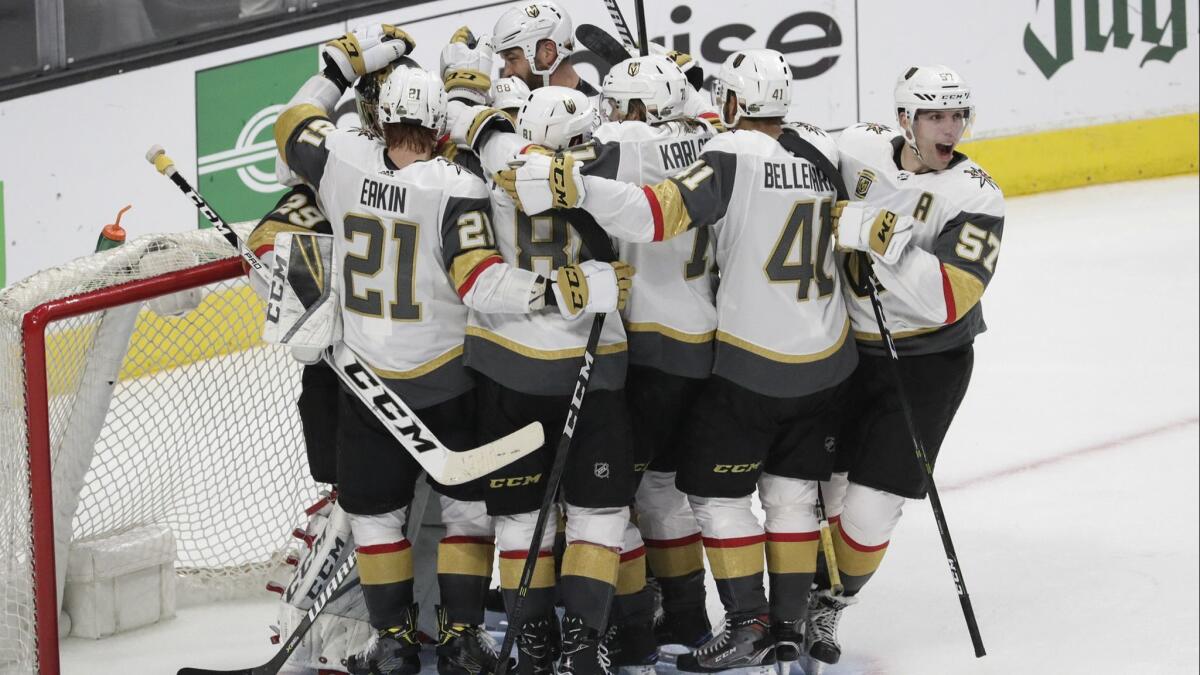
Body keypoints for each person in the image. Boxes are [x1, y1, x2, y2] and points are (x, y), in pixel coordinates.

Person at [501, 48, 901, 673]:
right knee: (774, 494)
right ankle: (771, 624)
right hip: (804, 354)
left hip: (695, 354)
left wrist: (561, 173)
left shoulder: (696, 150)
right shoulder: (817, 151)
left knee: (632, 499)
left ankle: (644, 626)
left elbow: (647, 208)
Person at [271, 24, 628, 675]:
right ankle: (462, 632)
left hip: (366, 381)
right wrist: (562, 287)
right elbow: (481, 281)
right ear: (440, 130)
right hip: (446, 381)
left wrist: (346, 64)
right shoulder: (456, 187)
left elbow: (292, 122)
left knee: (374, 515)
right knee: (466, 508)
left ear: (381, 120)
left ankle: (394, 642)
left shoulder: (343, 161)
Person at [801, 64, 1005, 674]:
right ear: (903, 121)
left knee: (869, 511)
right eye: (935, 116)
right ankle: (800, 596)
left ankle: (832, 599)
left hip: (928, 365)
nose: (950, 128)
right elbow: (789, 144)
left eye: (957, 115)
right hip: (845, 351)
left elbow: (949, 298)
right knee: (823, 492)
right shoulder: (860, 146)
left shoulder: (977, 193)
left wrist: (882, 234)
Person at [564, 54, 720, 671]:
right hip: (705, 343)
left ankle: (631, 630)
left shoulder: (628, 142)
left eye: (614, 104)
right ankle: (686, 616)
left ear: (634, 109)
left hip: (647, 348)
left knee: (613, 499)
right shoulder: (710, 141)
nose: (605, 116)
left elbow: (557, 165)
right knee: (665, 491)